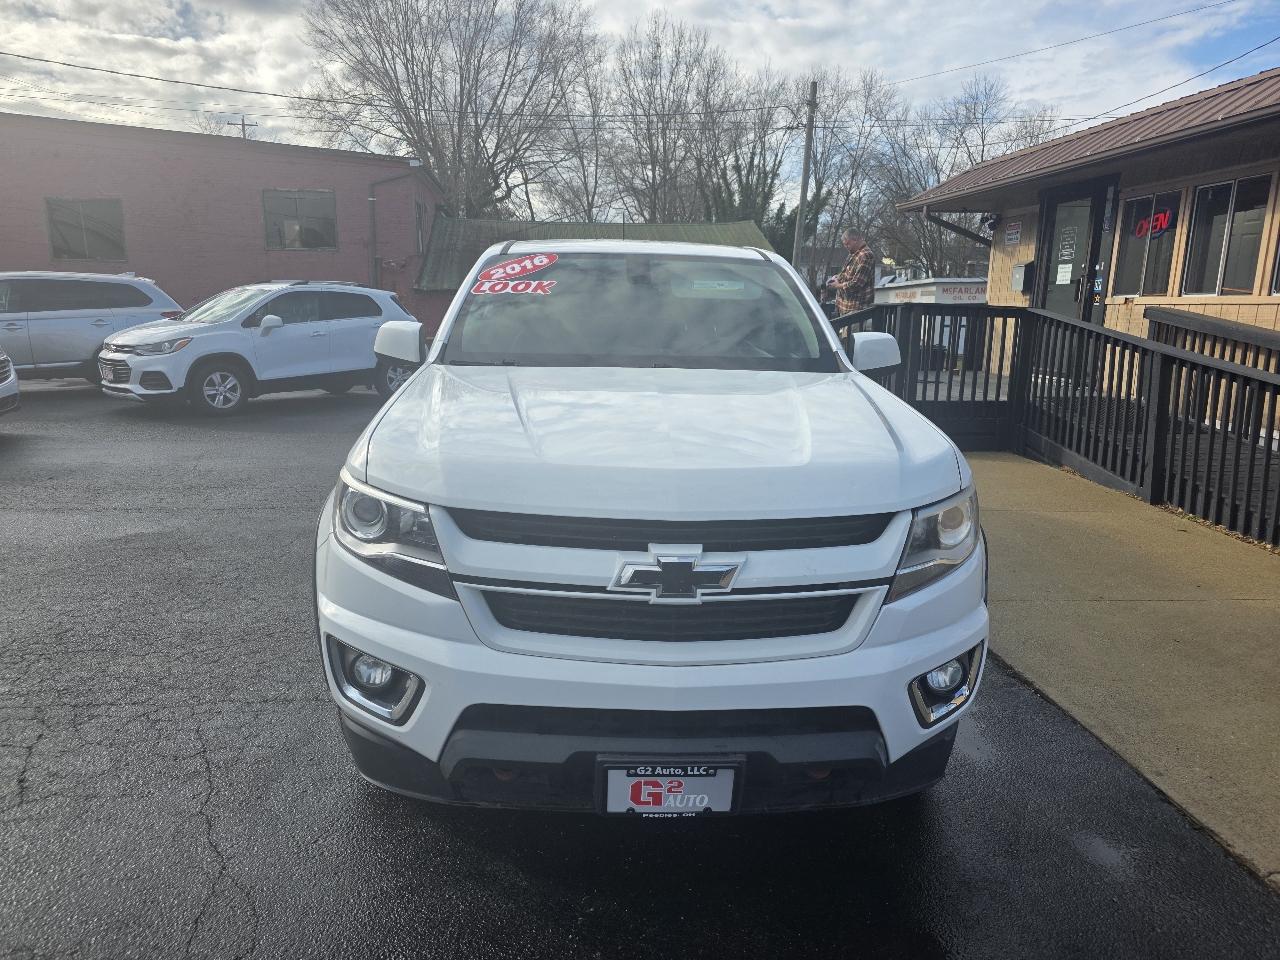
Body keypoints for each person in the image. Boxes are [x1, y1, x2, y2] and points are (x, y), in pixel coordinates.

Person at [824, 228, 875, 316]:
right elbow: (847, 273)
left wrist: (837, 286)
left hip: (856, 309)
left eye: (847, 243)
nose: (846, 246)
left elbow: (857, 283)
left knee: (854, 330)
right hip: (846, 307)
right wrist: (838, 277)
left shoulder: (865, 255)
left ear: (854, 240)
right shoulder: (853, 254)